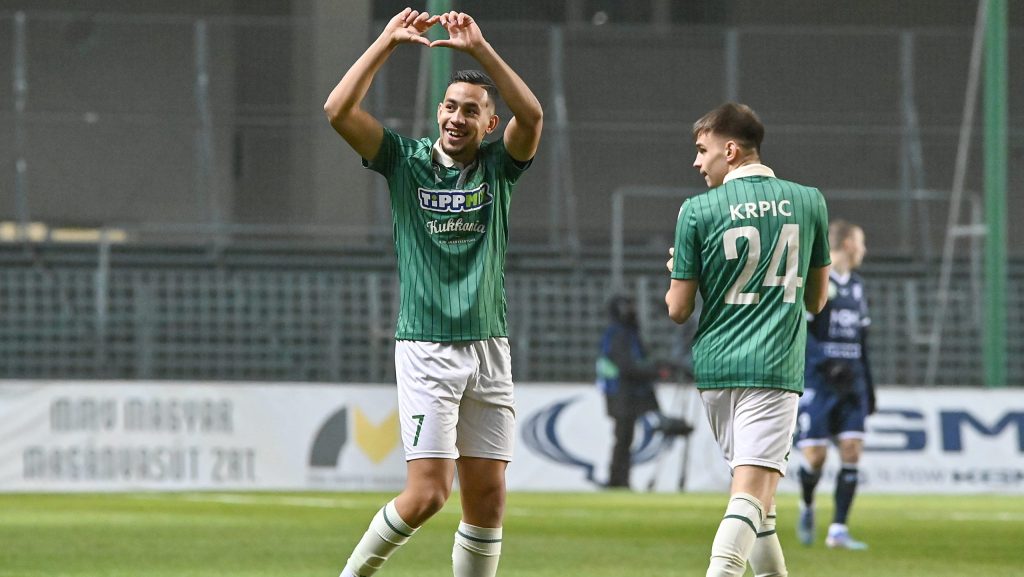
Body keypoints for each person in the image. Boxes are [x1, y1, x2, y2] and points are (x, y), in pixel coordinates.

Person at [323, 8, 542, 577]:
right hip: (427, 346)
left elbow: (533, 114)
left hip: (489, 345)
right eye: (450, 106)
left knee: (488, 498)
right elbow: (338, 110)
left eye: (470, 110)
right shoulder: (405, 161)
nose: (456, 117)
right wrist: (386, 42)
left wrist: (480, 49)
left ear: (489, 124)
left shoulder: (500, 167)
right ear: (438, 112)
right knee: (427, 495)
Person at [665, 102, 831, 577]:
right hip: (773, 366)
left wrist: (680, 273)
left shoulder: (696, 210)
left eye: (703, 150)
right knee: (751, 498)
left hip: (716, 369)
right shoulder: (809, 201)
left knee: (761, 504)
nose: (697, 162)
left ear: (731, 150)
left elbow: (678, 310)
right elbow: (817, 301)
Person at [794, 220, 875, 550]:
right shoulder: (816, 281)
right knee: (815, 457)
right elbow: (802, 331)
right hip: (819, 382)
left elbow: (863, 340)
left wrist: (870, 388)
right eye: (861, 242)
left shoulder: (857, 286)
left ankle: (838, 530)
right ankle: (807, 504)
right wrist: (826, 364)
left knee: (852, 449)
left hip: (852, 383)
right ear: (847, 244)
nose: (864, 249)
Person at [596, 295, 692, 489]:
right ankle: (617, 480)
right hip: (621, 392)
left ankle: (620, 479)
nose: (633, 311)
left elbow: (638, 361)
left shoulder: (627, 332)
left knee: (625, 437)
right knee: (623, 437)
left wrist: (658, 368)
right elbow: (628, 366)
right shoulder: (619, 334)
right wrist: (656, 371)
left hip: (629, 391)